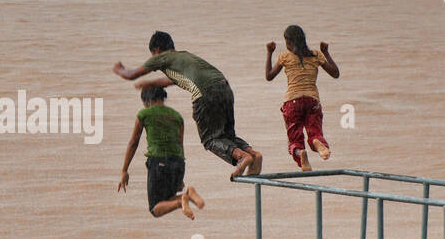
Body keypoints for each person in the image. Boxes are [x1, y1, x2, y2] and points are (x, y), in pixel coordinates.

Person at [112, 31, 263, 178]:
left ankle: (242, 157)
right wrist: (151, 83)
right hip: (224, 88)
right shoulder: (183, 56)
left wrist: (118, 69)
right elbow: (172, 80)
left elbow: (130, 75)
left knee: (209, 140)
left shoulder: (162, 57)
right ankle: (253, 154)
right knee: (227, 136)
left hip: (205, 93)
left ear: (156, 50)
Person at [117, 86, 205, 218]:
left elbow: (133, 142)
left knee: (155, 208)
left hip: (159, 163)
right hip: (179, 164)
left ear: (148, 101)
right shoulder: (177, 117)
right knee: (168, 199)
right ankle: (188, 194)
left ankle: (181, 201)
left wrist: (124, 170)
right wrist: (180, 178)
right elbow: (180, 145)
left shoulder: (144, 114)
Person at [264, 25, 340, 171]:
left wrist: (269, 53)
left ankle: (301, 154)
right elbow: (335, 73)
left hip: (292, 102)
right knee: (315, 133)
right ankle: (317, 142)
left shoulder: (284, 56)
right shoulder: (316, 55)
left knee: (294, 140)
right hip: (312, 101)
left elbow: (269, 76)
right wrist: (326, 52)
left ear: (288, 42)